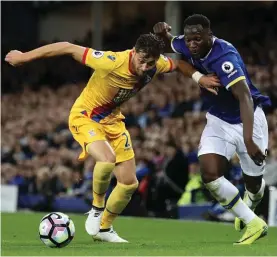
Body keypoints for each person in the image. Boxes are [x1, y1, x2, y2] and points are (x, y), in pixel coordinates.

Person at [5, 33, 219, 243]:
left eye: (150, 63)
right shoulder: (111, 61)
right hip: (86, 116)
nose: (145, 67)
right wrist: (25, 57)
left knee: (129, 183)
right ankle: (97, 208)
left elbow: (178, 64)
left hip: (113, 122)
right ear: (134, 52)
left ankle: (104, 228)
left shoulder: (156, 64)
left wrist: (200, 78)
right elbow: (67, 46)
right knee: (106, 159)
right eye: (142, 61)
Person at [153, 14, 271, 245]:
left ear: (210, 35)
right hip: (218, 120)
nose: (192, 44)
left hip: (248, 120)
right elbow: (172, 44)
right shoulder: (187, 43)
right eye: (189, 40)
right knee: (209, 173)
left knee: (254, 185)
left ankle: (253, 199)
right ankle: (254, 223)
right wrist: (161, 33)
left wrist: (248, 139)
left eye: (197, 39)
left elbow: (244, 97)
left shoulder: (224, 57)